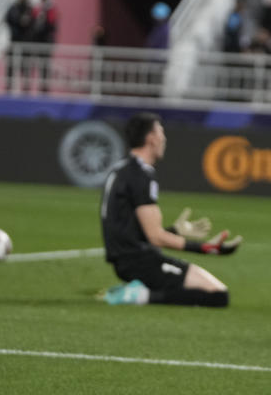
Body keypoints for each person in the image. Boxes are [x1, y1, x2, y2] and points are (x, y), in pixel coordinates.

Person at [100, 112, 241, 307]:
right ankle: (139, 295)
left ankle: (141, 291)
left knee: (198, 290)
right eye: (160, 132)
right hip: (140, 262)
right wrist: (206, 248)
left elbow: (131, 229)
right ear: (151, 138)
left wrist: (175, 231)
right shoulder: (140, 176)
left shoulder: (121, 170)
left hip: (128, 259)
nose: (164, 138)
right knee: (218, 296)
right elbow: (155, 238)